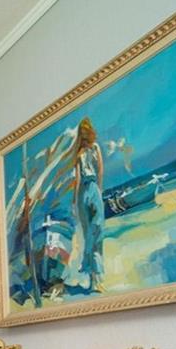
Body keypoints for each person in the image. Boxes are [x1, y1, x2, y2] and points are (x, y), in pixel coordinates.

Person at [71, 116, 106, 293]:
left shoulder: (91, 150)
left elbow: (98, 170)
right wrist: (76, 200)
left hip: (88, 191)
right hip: (88, 190)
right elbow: (97, 171)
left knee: (94, 234)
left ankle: (95, 278)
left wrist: (75, 201)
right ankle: (95, 280)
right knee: (92, 236)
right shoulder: (83, 153)